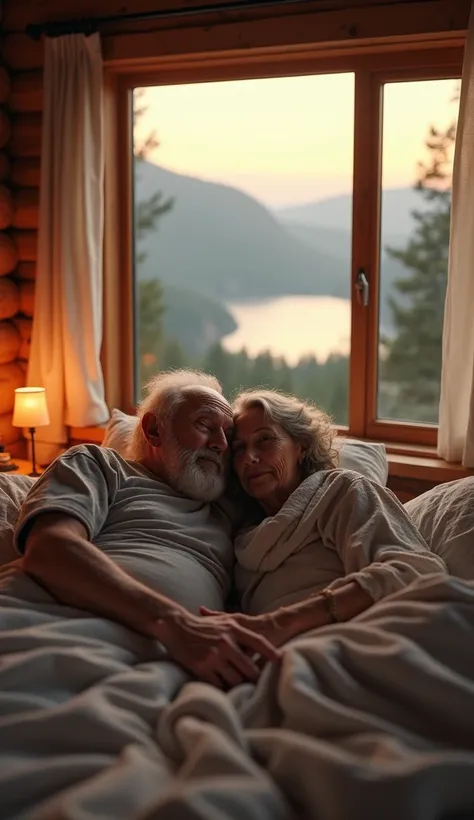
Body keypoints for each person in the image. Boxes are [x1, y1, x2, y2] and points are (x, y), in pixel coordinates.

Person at [13, 371, 280, 689]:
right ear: (155, 430)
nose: (221, 444)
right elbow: (50, 549)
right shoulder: (100, 465)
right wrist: (175, 625)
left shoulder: (232, 508)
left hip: (153, 667)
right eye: (205, 426)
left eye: (228, 436)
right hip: (47, 623)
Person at [201, 389, 447, 647]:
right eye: (239, 448)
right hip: (280, 659)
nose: (250, 458)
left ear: (301, 447)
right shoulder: (241, 541)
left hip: (357, 642)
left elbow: (414, 570)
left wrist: (285, 621)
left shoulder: (339, 491)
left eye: (265, 439)